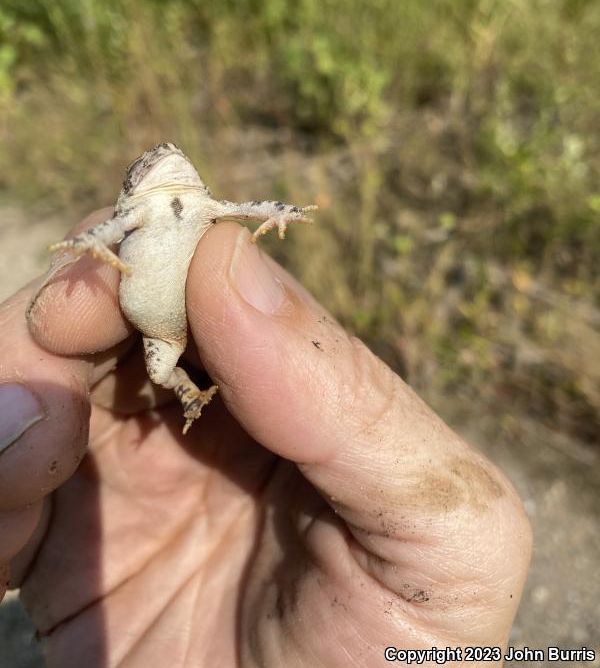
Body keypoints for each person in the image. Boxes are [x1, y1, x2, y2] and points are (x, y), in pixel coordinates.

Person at [0, 212, 532, 666]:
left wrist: (281, 213)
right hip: (163, 339)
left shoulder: (194, 202)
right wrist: (90, 246)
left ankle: (194, 394)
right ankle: (191, 396)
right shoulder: (138, 209)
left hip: (194, 323)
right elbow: (111, 230)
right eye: (150, 161)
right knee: (157, 368)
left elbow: (243, 207)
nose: (165, 160)